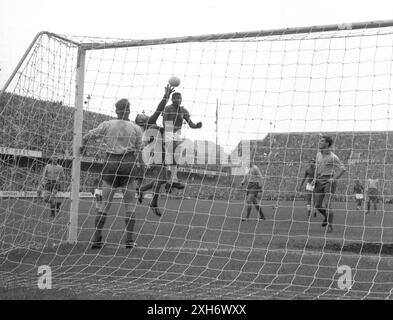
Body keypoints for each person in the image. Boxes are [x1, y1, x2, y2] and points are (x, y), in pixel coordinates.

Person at [80, 98, 143, 249]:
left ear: (116, 110)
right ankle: (129, 241)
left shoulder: (107, 124)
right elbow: (139, 150)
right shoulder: (136, 128)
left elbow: (87, 135)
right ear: (129, 110)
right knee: (130, 206)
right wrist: (140, 167)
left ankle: (96, 239)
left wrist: (84, 146)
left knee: (104, 205)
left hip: (111, 164)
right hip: (128, 164)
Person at [162, 91, 202, 191]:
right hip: (168, 133)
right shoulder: (167, 108)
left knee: (176, 158)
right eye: (176, 98)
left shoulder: (183, 110)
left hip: (177, 136)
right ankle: (173, 181)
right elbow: (164, 123)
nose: (178, 100)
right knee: (173, 156)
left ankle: (170, 182)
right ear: (172, 99)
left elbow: (191, 124)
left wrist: (197, 126)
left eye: (180, 98)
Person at [313, 135, 346, 232]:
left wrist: (334, 178)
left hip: (328, 181)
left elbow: (343, 168)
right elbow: (317, 168)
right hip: (319, 181)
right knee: (317, 205)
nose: (320, 142)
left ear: (327, 143)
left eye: (322, 141)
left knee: (327, 204)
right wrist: (315, 178)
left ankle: (330, 226)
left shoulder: (333, 157)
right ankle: (327, 218)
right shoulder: (318, 154)